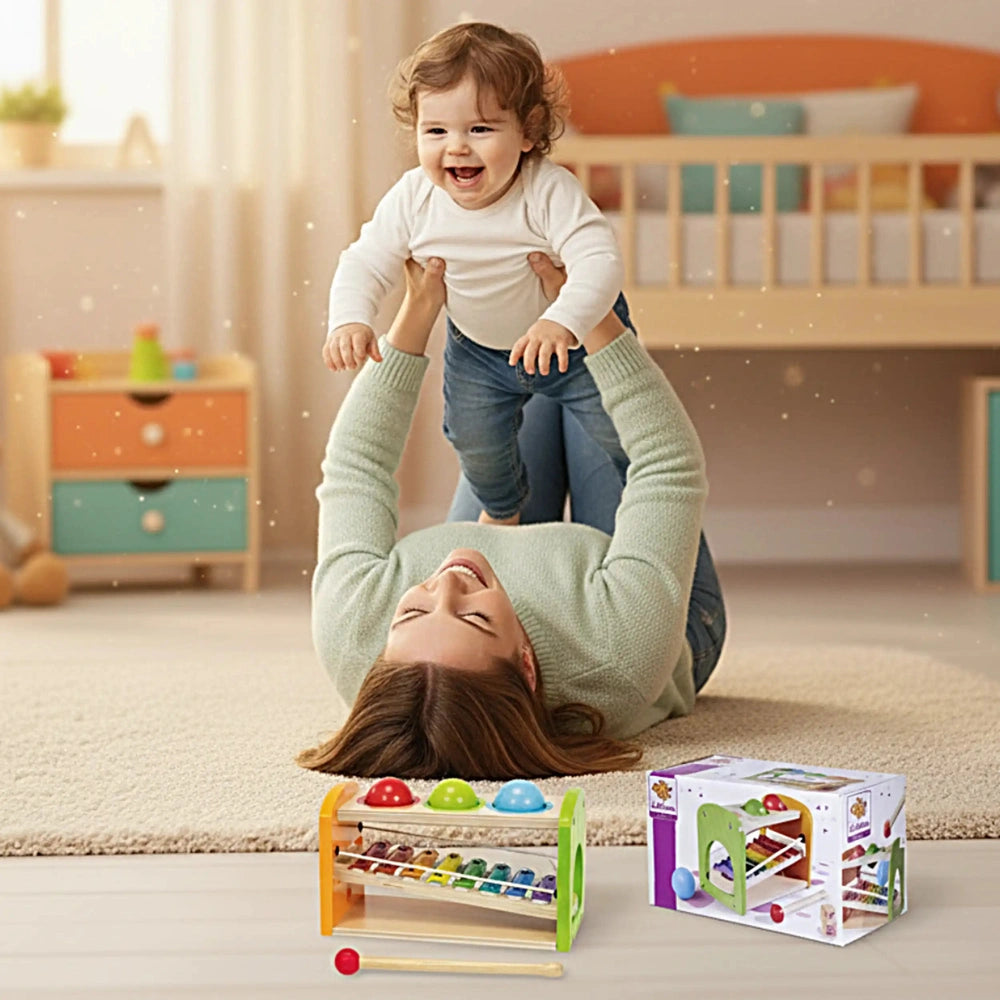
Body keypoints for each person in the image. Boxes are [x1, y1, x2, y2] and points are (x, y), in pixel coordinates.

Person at [299, 252, 726, 779]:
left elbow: (356, 466)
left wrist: (419, 308)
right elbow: (666, 465)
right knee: (592, 383)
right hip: (649, 614)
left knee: (528, 363)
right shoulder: (618, 654)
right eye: (472, 616)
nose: (450, 580)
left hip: (524, 548)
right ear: (527, 663)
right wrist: (592, 313)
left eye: (412, 612)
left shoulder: (351, 631)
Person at [323, 21, 629, 526]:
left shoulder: (547, 190)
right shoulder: (414, 197)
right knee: (472, 437)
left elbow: (600, 259)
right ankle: (506, 507)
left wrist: (563, 321)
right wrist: (350, 319)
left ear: (528, 131)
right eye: (436, 131)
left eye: (480, 129)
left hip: (572, 342)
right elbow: (364, 259)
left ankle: (648, 502)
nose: (457, 147)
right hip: (480, 352)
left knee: (618, 435)